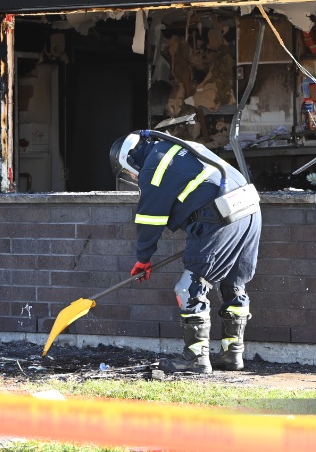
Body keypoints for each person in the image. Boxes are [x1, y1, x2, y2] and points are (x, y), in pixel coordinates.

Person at [109, 130, 261, 373]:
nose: (131, 176)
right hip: (249, 210)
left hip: (219, 216)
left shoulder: (153, 167)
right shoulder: (179, 150)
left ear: (130, 159)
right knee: (233, 285)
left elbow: (149, 220)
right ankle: (233, 354)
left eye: (128, 171)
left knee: (189, 288)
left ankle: (196, 358)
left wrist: (143, 259)